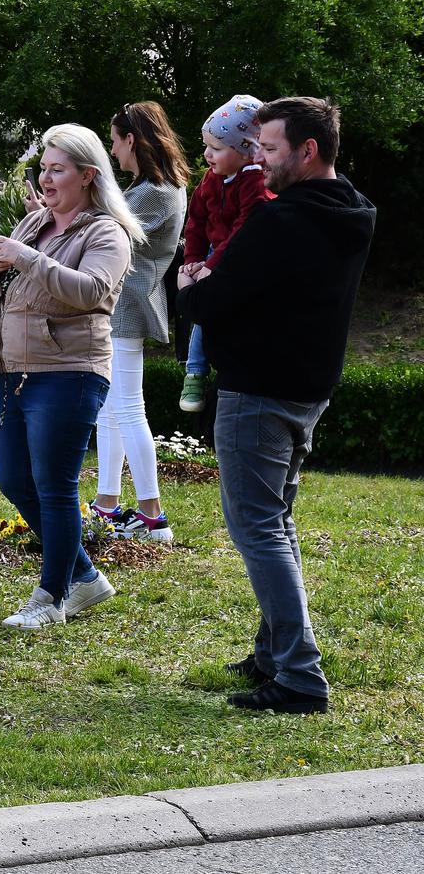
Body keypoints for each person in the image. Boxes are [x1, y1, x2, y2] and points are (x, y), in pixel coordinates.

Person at [178, 97, 373, 715]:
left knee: (257, 527)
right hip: (307, 388)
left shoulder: (278, 220)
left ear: (307, 150)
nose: (258, 160)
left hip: (257, 390)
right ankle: (271, 653)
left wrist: (189, 288)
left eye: (268, 149)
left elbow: (211, 303)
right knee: (277, 520)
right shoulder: (354, 211)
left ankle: (299, 676)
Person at [0, 123, 140, 630]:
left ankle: (52, 597)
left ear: (88, 175)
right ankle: (86, 577)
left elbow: (90, 291)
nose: (46, 179)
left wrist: (25, 257)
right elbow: (2, 287)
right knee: (13, 479)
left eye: (57, 170)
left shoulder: (106, 232)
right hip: (12, 372)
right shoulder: (35, 223)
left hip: (68, 374)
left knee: (55, 487)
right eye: (43, 169)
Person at [89, 102, 189, 542]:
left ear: (132, 139)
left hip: (128, 305)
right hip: (124, 304)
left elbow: (107, 230)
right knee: (111, 409)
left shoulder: (157, 191)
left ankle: (152, 516)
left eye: (114, 140)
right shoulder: (156, 186)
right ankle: (107, 505)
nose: (113, 150)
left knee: (127, 408)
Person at [178, 95, 271, 413]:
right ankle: (195, 370)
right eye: (206, 145)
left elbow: (245, 228)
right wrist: (192, 259)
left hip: (235, 253)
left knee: (211, 308)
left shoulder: (255, 184)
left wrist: (213, 265)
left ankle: (201, 369)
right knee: (203, 310)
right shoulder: (210, 179)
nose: (207, 154)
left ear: (245, 149)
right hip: (211, 252)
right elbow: (196, 219)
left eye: (216, 148)